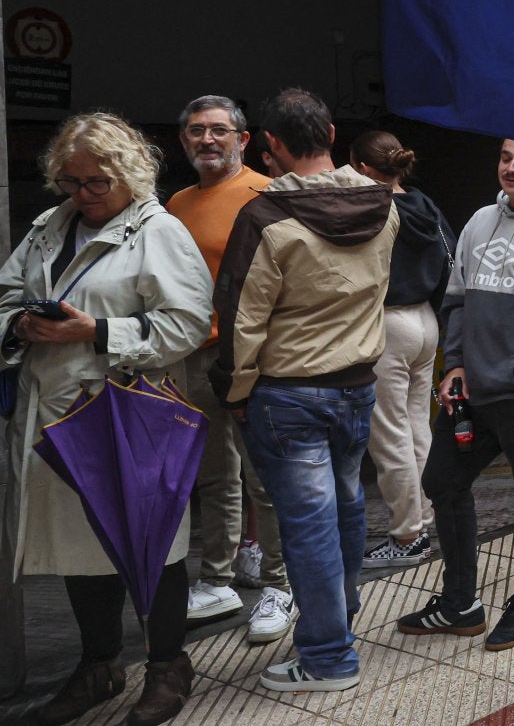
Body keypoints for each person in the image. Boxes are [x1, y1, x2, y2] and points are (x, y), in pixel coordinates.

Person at [0, 113, 212, 726]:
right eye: (70, 181)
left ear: (128, 174)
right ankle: (98, 666)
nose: (83, 195)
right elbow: (7, 293)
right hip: (53, 414)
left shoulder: (158, 232)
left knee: (151, 539)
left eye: (97, 182)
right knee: (76, 547)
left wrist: (92, 330)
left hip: (123, 411)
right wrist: (20, 324)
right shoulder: (47, 227)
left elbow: (187, 325)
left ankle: (169, 666)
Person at [211, 88, 398, 693]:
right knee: (346, 510)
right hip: (356, 387)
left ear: (271, 147)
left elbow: (242, 318)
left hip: (288, 394)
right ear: (333, 134)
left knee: (307, 527)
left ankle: (327, 657)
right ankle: (339, 620)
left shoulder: (265, 217)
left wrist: (233, 391)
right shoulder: (385, 205)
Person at [399, 139, 514, 649]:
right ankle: (461, 602)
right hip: (473, 389)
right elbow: (457, 300)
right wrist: (455, 363)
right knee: (442, 480)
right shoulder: (481, 220)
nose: (510, 167)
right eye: (504, 156)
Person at [166, 95, 289, 643]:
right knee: (213, 473)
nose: (207, 140)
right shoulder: (176, 203)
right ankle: (216, 580)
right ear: (185, 140)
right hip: (196, 354)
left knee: (265, 476)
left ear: (244, 138)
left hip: (254, 356)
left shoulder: (268, 192)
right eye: (197, 131)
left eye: (219, 130)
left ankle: (280, 586)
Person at [349, 131, 454, 570]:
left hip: (388, 326)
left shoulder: (369, 210)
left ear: (362, 167)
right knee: (416, 427)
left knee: (390, 435)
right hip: (425, 322)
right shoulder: (423, 204)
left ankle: (408, 535)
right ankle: (431, 518)